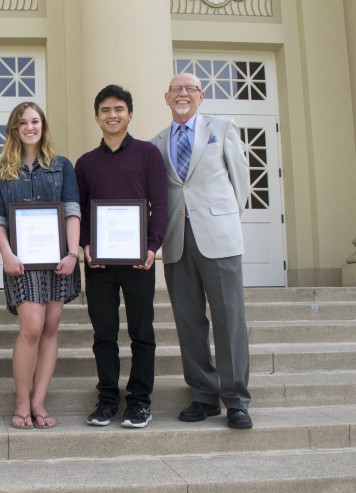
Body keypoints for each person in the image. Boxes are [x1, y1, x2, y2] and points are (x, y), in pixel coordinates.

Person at [151, 72, 252, 429]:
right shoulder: (157, 142)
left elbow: (241, 183)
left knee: (229, 320)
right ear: (166, 98)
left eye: (189, 89)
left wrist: (222, 219)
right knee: (189, 322)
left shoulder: (222, 128)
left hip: (219, 238)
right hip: (177, 241)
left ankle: (236, 399)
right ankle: (204, 395)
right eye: (176, 89)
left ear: (201, 96)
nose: (182, 94)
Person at [76, 84, 167, 429]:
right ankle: (107, 400)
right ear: (96, 117)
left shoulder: (148, 155)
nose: (112, 115)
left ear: (130, 114)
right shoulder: (85, 163)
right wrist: (86, 246)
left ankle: (140, 402)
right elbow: (80, 211)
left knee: (142, 332)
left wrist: (152, 246)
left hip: (137, 260)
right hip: (99, 264)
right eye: (105, 110)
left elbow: (160, 205)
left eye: (118, 109)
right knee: (104, 335)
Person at [0, 102, 81, 430]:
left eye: (35, 121)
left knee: (51, 327)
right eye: (23, 122)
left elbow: (72, 210)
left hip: (58, 260)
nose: (30, 127)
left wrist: (72, 253)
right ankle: (21, 401)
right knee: (31, 327)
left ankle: (39, 401)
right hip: (20, 262)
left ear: (43, 125)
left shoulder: (62, 167)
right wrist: (6, 254)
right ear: (14, 129)